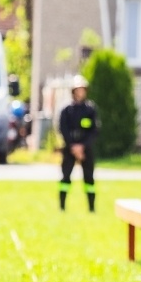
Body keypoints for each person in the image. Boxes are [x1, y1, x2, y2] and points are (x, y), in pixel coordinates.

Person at [58, 75, 99, 212]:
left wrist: (83, 146)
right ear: (73, 91)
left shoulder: (90, 110)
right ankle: (62, 207)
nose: (80, 92)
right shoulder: (67, 110)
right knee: (65, 177)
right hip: (70, 148)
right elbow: (63, 129)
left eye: (83, 89)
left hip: (86, 148)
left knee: (89, 178)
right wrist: (73, 147)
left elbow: (94, 130)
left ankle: (91, 207)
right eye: (78, 89)